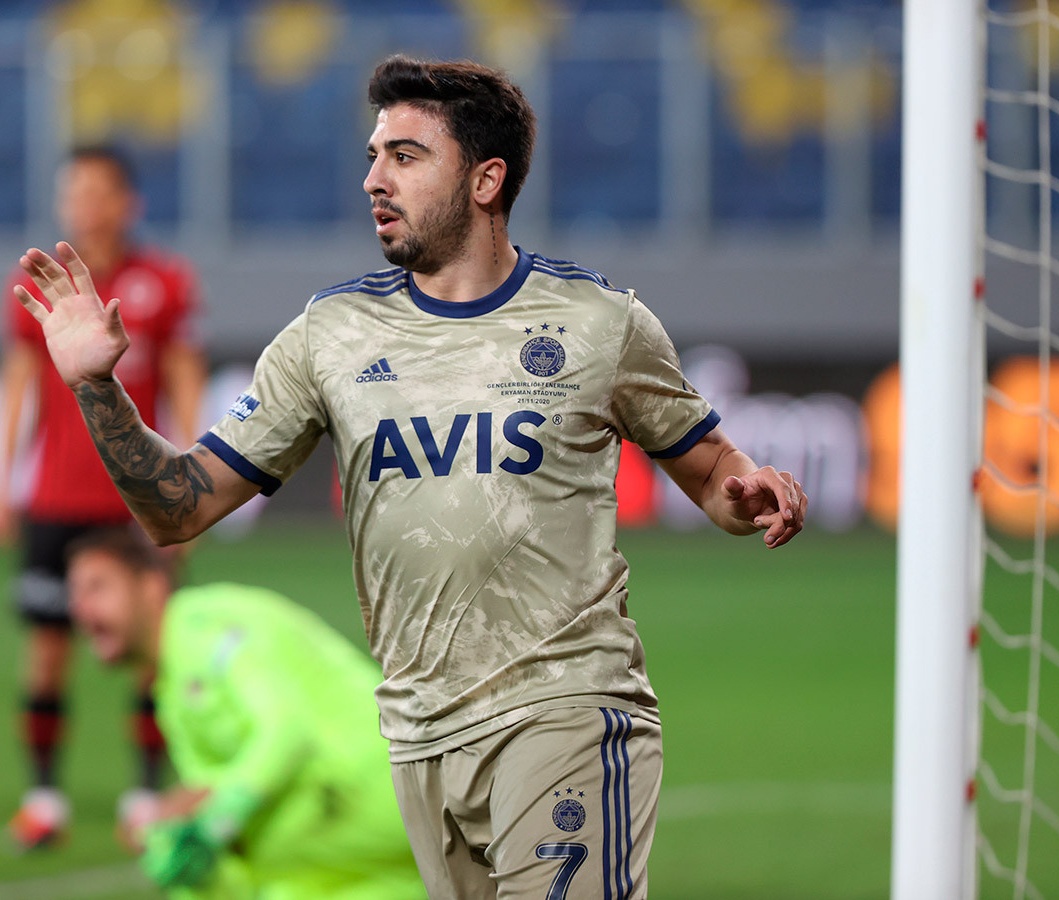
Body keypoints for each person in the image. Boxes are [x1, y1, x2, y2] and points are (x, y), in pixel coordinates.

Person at [14, 54, 806, 898]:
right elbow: (179, 506)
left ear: (485, 180)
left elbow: (711, 470)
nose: (374, 179)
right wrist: (96, 388)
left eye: (405, 155)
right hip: (420, 737)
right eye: (372, 156)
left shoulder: (598, 323)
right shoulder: (330, 336)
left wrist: (743, 490)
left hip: (566, 707)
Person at [1, 144, 207, 850]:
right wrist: (6, 481)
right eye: (74, 193)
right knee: (47, 649)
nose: (84, 206)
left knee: (152, 651)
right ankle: (44, 797)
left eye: (97, 192)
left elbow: (184, 379)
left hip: (137, 499)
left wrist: (192, 478)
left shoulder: (163, 283)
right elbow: (21, 386)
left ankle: (146, 795)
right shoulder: (36, 285)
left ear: (127, 203)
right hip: (56, 499)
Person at [64, 527, 427, 898]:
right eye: (74, 593)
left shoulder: (206, 628)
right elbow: (219, 784)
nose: (80, 609)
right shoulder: (170, 682)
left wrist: (212, 826)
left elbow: (286, 731)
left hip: (377, 809)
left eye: (97, 587)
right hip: (337, 871)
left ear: (151, 586)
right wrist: (169, 819)